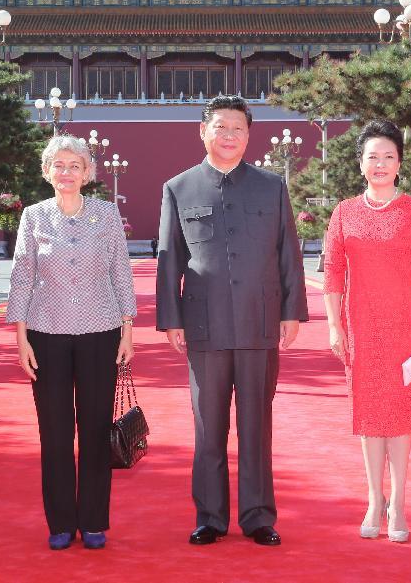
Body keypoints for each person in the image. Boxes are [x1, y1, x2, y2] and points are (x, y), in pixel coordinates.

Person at [156, 95, 308, 547]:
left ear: (249, 134)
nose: (229, 136)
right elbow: (169, 259)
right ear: (203, 132)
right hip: (204, 325)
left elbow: (288, 254)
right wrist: (171, 319)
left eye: (237, 128)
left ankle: (258, 515)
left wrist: (291, 311)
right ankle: (210, 516)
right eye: (220, 128)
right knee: (208, 426)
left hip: (260, 323)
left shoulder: (270, 186)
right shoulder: (179, 188)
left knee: (257, 425)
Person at [6, 135, 136, 551]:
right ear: (47, 172)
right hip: (46, 336)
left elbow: (121, 270)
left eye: (74, 165)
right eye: (58, 165)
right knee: (56, 432)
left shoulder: (106, 214)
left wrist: (127, 331)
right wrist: (21, 338)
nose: (66, 172)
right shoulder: (34, 217)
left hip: (100, 333)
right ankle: (61, 521)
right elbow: (22, 276)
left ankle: (94, 520)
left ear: (88, 173)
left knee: (96, 431)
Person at [322, 118, 411, 544]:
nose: (380, 164)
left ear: (399, 164)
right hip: (361, 326)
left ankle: (401, 502)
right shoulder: (344, 213)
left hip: (406, 328)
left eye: (388, 157)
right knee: (370, 416)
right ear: (360, 164)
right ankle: (375, 499)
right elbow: (333, 275)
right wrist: (335, 326)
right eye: (372, 156)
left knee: (400, 415)